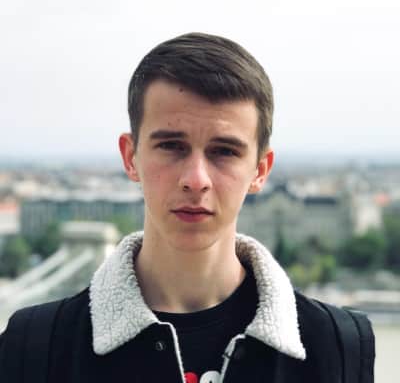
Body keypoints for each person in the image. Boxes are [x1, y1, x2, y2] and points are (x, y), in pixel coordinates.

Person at [0, 33, 374, 383]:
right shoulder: (33, 348)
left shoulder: (338, 347)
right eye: (171, 146)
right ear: (130, 157)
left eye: (224, 151)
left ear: (260, 171)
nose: (196, 179)